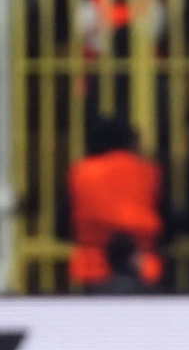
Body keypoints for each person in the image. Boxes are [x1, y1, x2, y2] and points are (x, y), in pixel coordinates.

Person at [67, 118, 163, 290]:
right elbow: (164, 216)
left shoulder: (80, 173)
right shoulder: (149, 172)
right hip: (143, 264)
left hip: (92, 267)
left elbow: (64, 221)